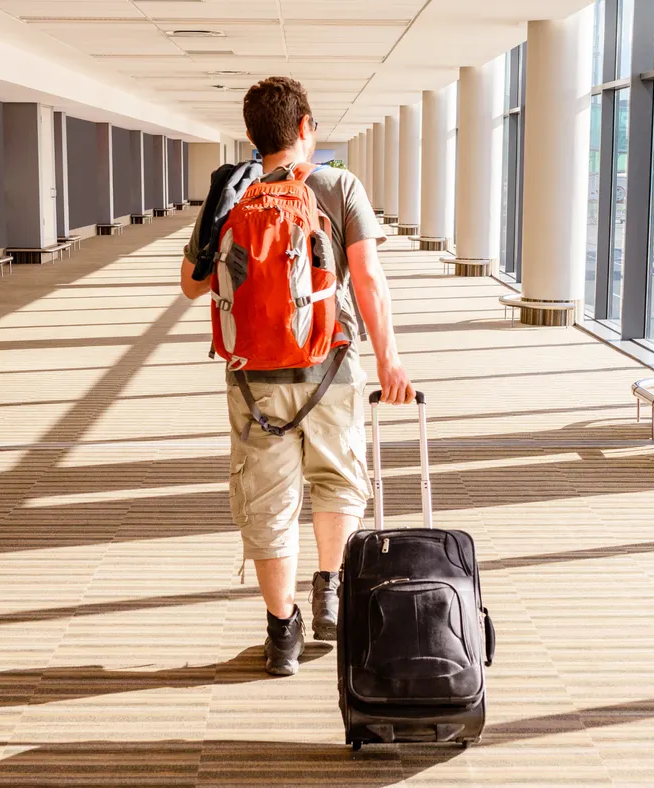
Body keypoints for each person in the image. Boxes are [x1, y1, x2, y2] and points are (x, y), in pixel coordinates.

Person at [179, 77, 415, 676]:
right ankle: (329, 588)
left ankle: (282, 633)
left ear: (254, 136)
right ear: (306, 126)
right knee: (338, 479)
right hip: (331, 362)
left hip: (253, 375)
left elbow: (192, 283)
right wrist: (388, 359)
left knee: (268, 503)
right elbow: (368, 281)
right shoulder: (339, 186)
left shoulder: (231, 193)